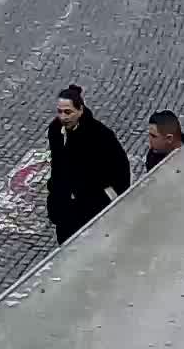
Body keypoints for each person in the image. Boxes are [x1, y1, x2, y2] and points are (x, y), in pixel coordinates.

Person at [45, 84, 130, 244]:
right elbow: (57, 166)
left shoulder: (100, 136)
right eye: (60, 112)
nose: (63, 117)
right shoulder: (55, 131)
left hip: (93, 207)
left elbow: (120, 171)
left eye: (68, 112)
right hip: (66, 209)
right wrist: (55, 199)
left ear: (80, 110)